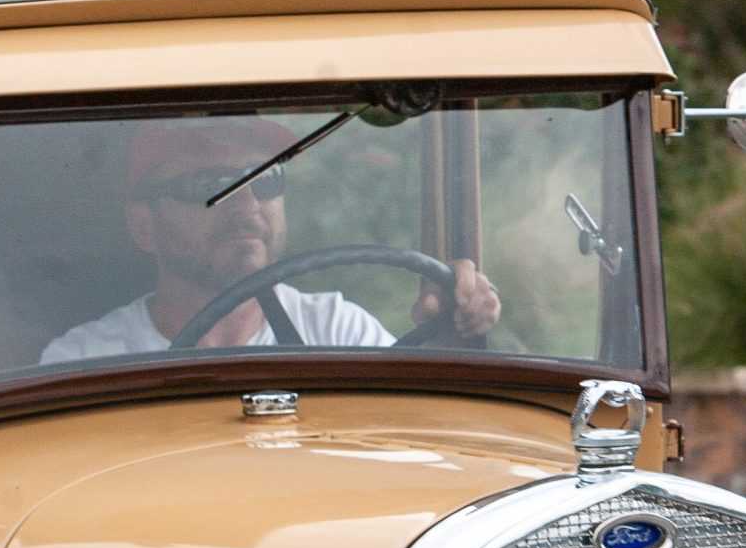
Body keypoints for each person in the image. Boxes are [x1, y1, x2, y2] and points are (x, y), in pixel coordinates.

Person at [40, 115, 501, 363]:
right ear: (144, 226)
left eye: (265, 179)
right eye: (210, 186)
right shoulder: (87, 358)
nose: (246, 204)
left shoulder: (337, 332)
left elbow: (410, 440)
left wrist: (452, 334)